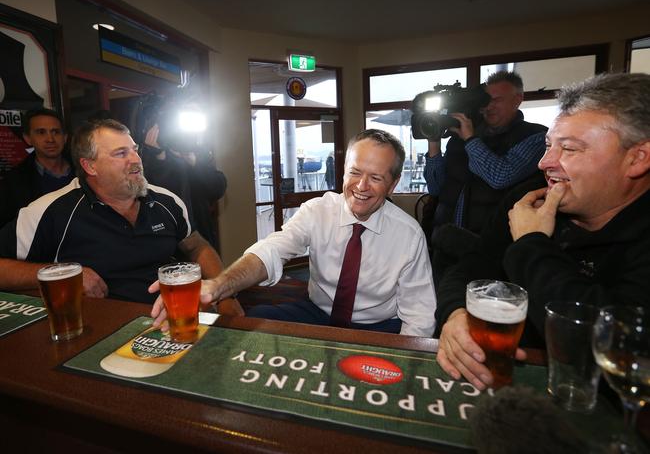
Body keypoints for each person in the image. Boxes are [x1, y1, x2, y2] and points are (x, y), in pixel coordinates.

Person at [435, 72, 650, 390]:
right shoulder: (526, 198)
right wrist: (454, 314)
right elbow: (470, 268)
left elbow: (613, 348)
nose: (545, 162)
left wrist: (531, 243)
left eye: (571, 149)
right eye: (549, 146)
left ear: (637, 159)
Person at [151, 129, 437, 337]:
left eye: (375, 178)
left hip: (379, 326)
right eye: (355, 172)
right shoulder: (317, 211)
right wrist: (218, 286)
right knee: (252, 326)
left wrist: (403, 365)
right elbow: (271, 250)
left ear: (394, 183)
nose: (361, 186)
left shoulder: (409, 235)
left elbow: (419, 316)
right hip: (318, 313)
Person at [0, 118, 222, 303]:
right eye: (120, 154)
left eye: (135, 150)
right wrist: (64, 276)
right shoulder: (50, 211)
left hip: (175, 318)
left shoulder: (167, 201)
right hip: (103, 333)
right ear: (90, 166)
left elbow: (197, 246)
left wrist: (224, 294)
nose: (136, 160)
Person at [423, 72, 547, 285]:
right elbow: (435, 188)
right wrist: (433, 143)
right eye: (485, 100)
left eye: (497, 100)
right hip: (445, 243)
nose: (488, 106)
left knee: (483, 311)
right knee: (442, 308)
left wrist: (471, 139)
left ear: (518, 100)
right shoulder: (459, 137)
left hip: (490, 249)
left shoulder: (535, 137)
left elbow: (500, 176)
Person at [140, 123, 227, 250]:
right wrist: (158, 158)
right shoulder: (152, 160)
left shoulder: (197, 157)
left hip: (200, 232)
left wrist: (195, 165)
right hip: (168, 237)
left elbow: (218, 187)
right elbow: (157, 193)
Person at [0, 108, 74, 227]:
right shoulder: (14, 182)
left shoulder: (85, 171)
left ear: (65, 137)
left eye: (55, 132)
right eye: (41, 132)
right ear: (28, 138)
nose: (50, 139)